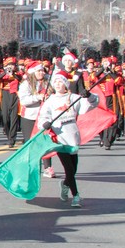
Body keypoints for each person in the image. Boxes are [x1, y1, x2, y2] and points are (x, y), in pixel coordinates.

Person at [39, 70, 99, 208]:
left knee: (73, 169)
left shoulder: (74, 98)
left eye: (60, 81)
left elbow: (92, 104)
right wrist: (45, 124)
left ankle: (65, 184)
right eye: (55, 81)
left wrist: (88, 96)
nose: (58, 84)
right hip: (59, 138)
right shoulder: (51, 100)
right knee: (69, 169)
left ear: (66, 84)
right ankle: (76, 196)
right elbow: (43, 116)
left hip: (73, 136)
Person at [18, 60, 53, 177]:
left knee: (45, 142)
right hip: (30, 117)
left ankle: (47, 167)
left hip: (44, 117)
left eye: (43, 70)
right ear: (33, 72)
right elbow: (24, 100)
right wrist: (38, 97)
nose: (42, 73)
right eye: (39, 71)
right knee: (32, 144)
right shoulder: (26, 84)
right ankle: (34, 166)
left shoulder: (48, 82)